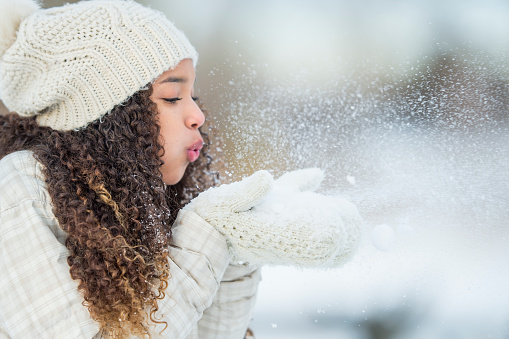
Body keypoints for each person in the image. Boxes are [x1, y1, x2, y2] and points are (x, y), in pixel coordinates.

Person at [0, 1, 363, 338]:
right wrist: (205, 237)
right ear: (106, 118)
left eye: (192, 95)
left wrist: (236, 251)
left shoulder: (137, 202)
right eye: (172, 97)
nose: (198, 115)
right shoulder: (19, 190)